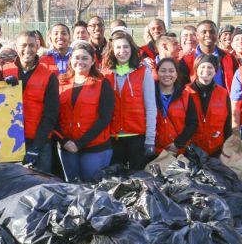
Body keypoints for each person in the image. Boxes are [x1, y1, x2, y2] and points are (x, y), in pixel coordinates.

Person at [57, 41, 115, 182]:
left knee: (93, 189)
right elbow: (53, 116)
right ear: (70, 59)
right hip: (66, 146)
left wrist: (80, 143)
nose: (80, 62)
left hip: (94, 147)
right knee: (72, 189)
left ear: (92, 61)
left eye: (85, 58)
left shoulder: (102, 83)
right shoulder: (60, 82)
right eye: (77, 58)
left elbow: (104, 118)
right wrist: (64, 141)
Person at [101, 30, 156, 171]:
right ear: (112, 50)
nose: (122, 51)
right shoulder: (105, 74)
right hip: (112, 138)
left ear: (132, 48)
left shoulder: (144, 72)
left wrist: (150, 139)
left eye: (126, 47)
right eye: (118, 47)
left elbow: (150, 107)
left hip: (137, 137)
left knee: (137, 181)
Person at [17, 32, 59, 175]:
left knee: (39, 186)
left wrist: (37, 145)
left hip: (38, 142)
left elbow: (51, 113)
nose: (27, 49)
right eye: (23, 45)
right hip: (9, 141)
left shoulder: (49, 76)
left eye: (31, 45)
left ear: (38, 47)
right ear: (16, 47)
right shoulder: (5, 71)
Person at [154, 57, 198, 155]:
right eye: (163, 71)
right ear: (157, 73)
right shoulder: (149, 94)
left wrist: (178, 144)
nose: (167, 74)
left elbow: (192, 123)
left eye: (171, 71)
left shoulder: (185, 95)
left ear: (176, 74)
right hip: (153, 151)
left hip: (179, 151)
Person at [190, 54, 231, 156]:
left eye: (210, 67)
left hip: (216, 150)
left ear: (215, 71)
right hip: (191, 150)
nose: (206, 70)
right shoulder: (186, 92)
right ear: (196, 69)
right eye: (202, 67)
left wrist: (227, 146)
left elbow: (227, 123)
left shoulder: (223, 93)